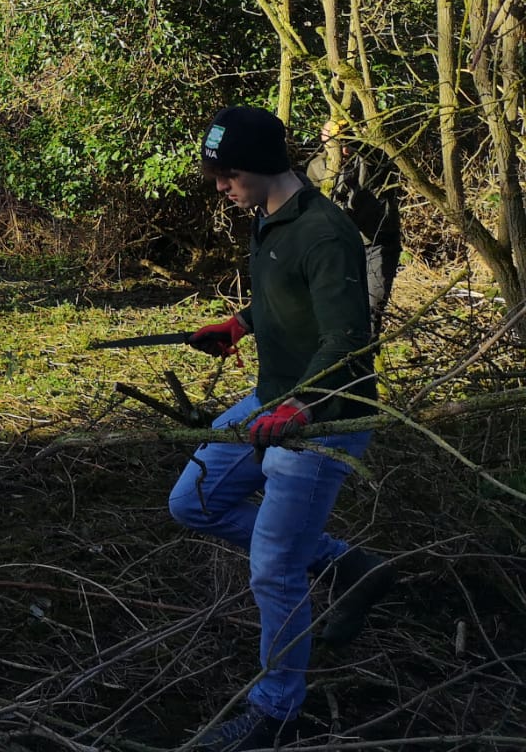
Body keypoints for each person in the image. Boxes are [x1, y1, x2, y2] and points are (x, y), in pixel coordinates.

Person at [172, 106, 396, 750]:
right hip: (271, 397)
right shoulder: (269, 217)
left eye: (228, 174)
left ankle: (276, 714)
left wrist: (299, 408)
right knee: (195, 501)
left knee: (273, 569)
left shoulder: (326, 234)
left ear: (265, 167)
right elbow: (282, 294)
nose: (221, 186)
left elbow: (349, 339)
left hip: (325, 418)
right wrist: (240, 324)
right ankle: (344, 564)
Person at [306, 120, 401, 335]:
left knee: (371, 307)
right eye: (337, 142)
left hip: (376, 244)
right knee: (339, 309)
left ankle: (366, 359)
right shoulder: (317, 168)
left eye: (347, 141)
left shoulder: (373, 159)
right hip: (341, 248)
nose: (343, 148)